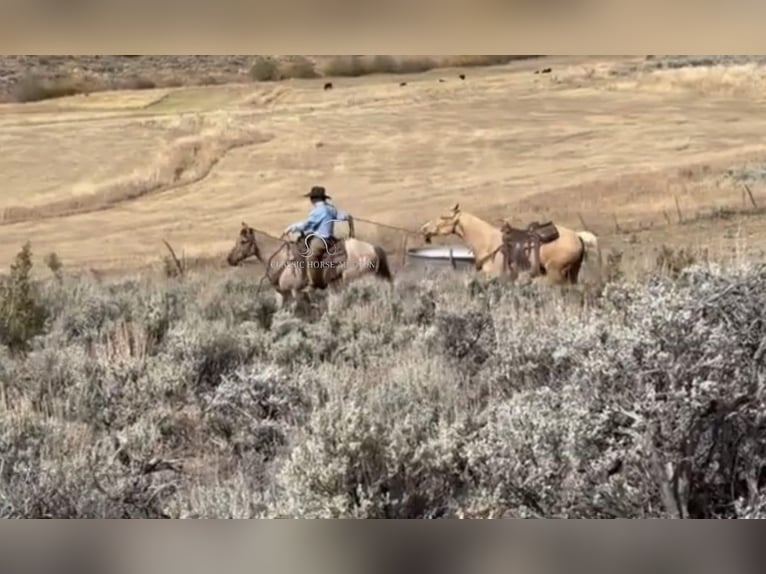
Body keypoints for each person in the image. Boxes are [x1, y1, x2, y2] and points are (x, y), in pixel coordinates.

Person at [284, 186, 355, 288]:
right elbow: (342, 216)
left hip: (320, 239)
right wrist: (347, 216)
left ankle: (316, 284)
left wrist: (292, 228)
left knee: (310, 257)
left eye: (311, 198)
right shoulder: (330, 209)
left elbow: (307, 225)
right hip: (328, 238)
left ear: (314, 199)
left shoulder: (318, 210)